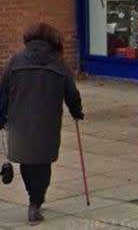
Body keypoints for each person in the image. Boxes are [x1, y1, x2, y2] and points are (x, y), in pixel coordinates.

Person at [0, 23, 84, 224]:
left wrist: (0, 118)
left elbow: (3, 92)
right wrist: (76, 112)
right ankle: (36, 202)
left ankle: (33, 198)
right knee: (43, 162)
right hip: (48, 123)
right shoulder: (59, 64)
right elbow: (72, 93)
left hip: (19, 122)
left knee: (27, 161)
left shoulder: (15, 61)